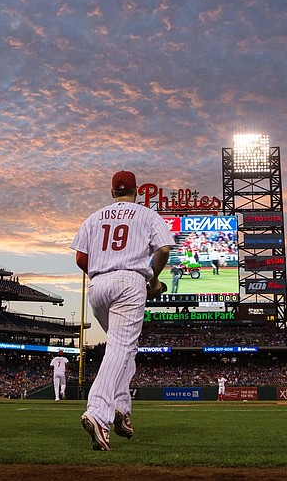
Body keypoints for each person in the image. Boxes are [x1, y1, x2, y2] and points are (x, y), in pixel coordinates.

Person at [71, 170, 173, 451]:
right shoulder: (147, 215)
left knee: (125, 349)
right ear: (137, 191)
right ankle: (98, 413)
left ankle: (122, 410)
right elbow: (164, 249)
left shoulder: (95, 217)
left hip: (98, 286)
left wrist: (101, 271)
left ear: (111, 191)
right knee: (119, 348)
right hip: (130, 282)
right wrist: (152, 277)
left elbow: (81, 257)